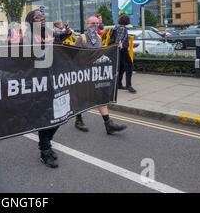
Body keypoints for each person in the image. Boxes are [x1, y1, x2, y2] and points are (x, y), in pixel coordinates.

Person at [25, 9, 71, 169]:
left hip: (54, 78)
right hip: (38, 81)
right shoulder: (28, 36)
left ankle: (47, 143)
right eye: (38, 17)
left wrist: (66, 32)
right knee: (46, 116)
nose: (43, 18)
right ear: (31, 21)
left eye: (43, 16)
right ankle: (44, 150)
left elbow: (60, 38)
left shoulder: (49, 31)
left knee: (58, 115)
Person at [73, 16, 127, 134]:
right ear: (87, 24)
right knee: (81, 98)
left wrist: (116, 48)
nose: (95, 25)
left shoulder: (98, 37)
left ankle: (108, 124)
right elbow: (75, 56)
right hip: (83, 73)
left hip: (95, 73)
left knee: (101, 98)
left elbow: (100, 53)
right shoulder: (81, 38)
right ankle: (78, 120)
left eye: (97, 23)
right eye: (92, 23)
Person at [114, 14, 137, 94]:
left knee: (121, 67)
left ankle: (119, 84)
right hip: (122, 50)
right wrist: (121, 45)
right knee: (129, 66)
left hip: (118, 51)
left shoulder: (117, 27)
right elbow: (118, 39)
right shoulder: (122, 28)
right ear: (126, 21)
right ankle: (128, 85)